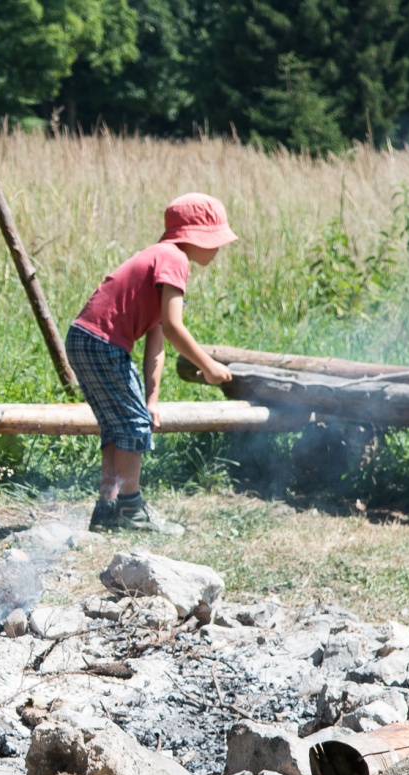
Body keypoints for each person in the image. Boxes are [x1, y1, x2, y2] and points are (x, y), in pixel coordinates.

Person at [66, 193, 237, 536]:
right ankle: (131, 510)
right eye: (215, 238)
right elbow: (174, 328)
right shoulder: (175, 259)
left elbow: (157, 342)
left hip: (83, 340)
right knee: (132, 428)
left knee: (118, 426)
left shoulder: (161, 257)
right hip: (103, 343)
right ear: (194, 236)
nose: (219, 247)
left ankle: (107, 509)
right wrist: (209, 366)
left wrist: (152, 400)